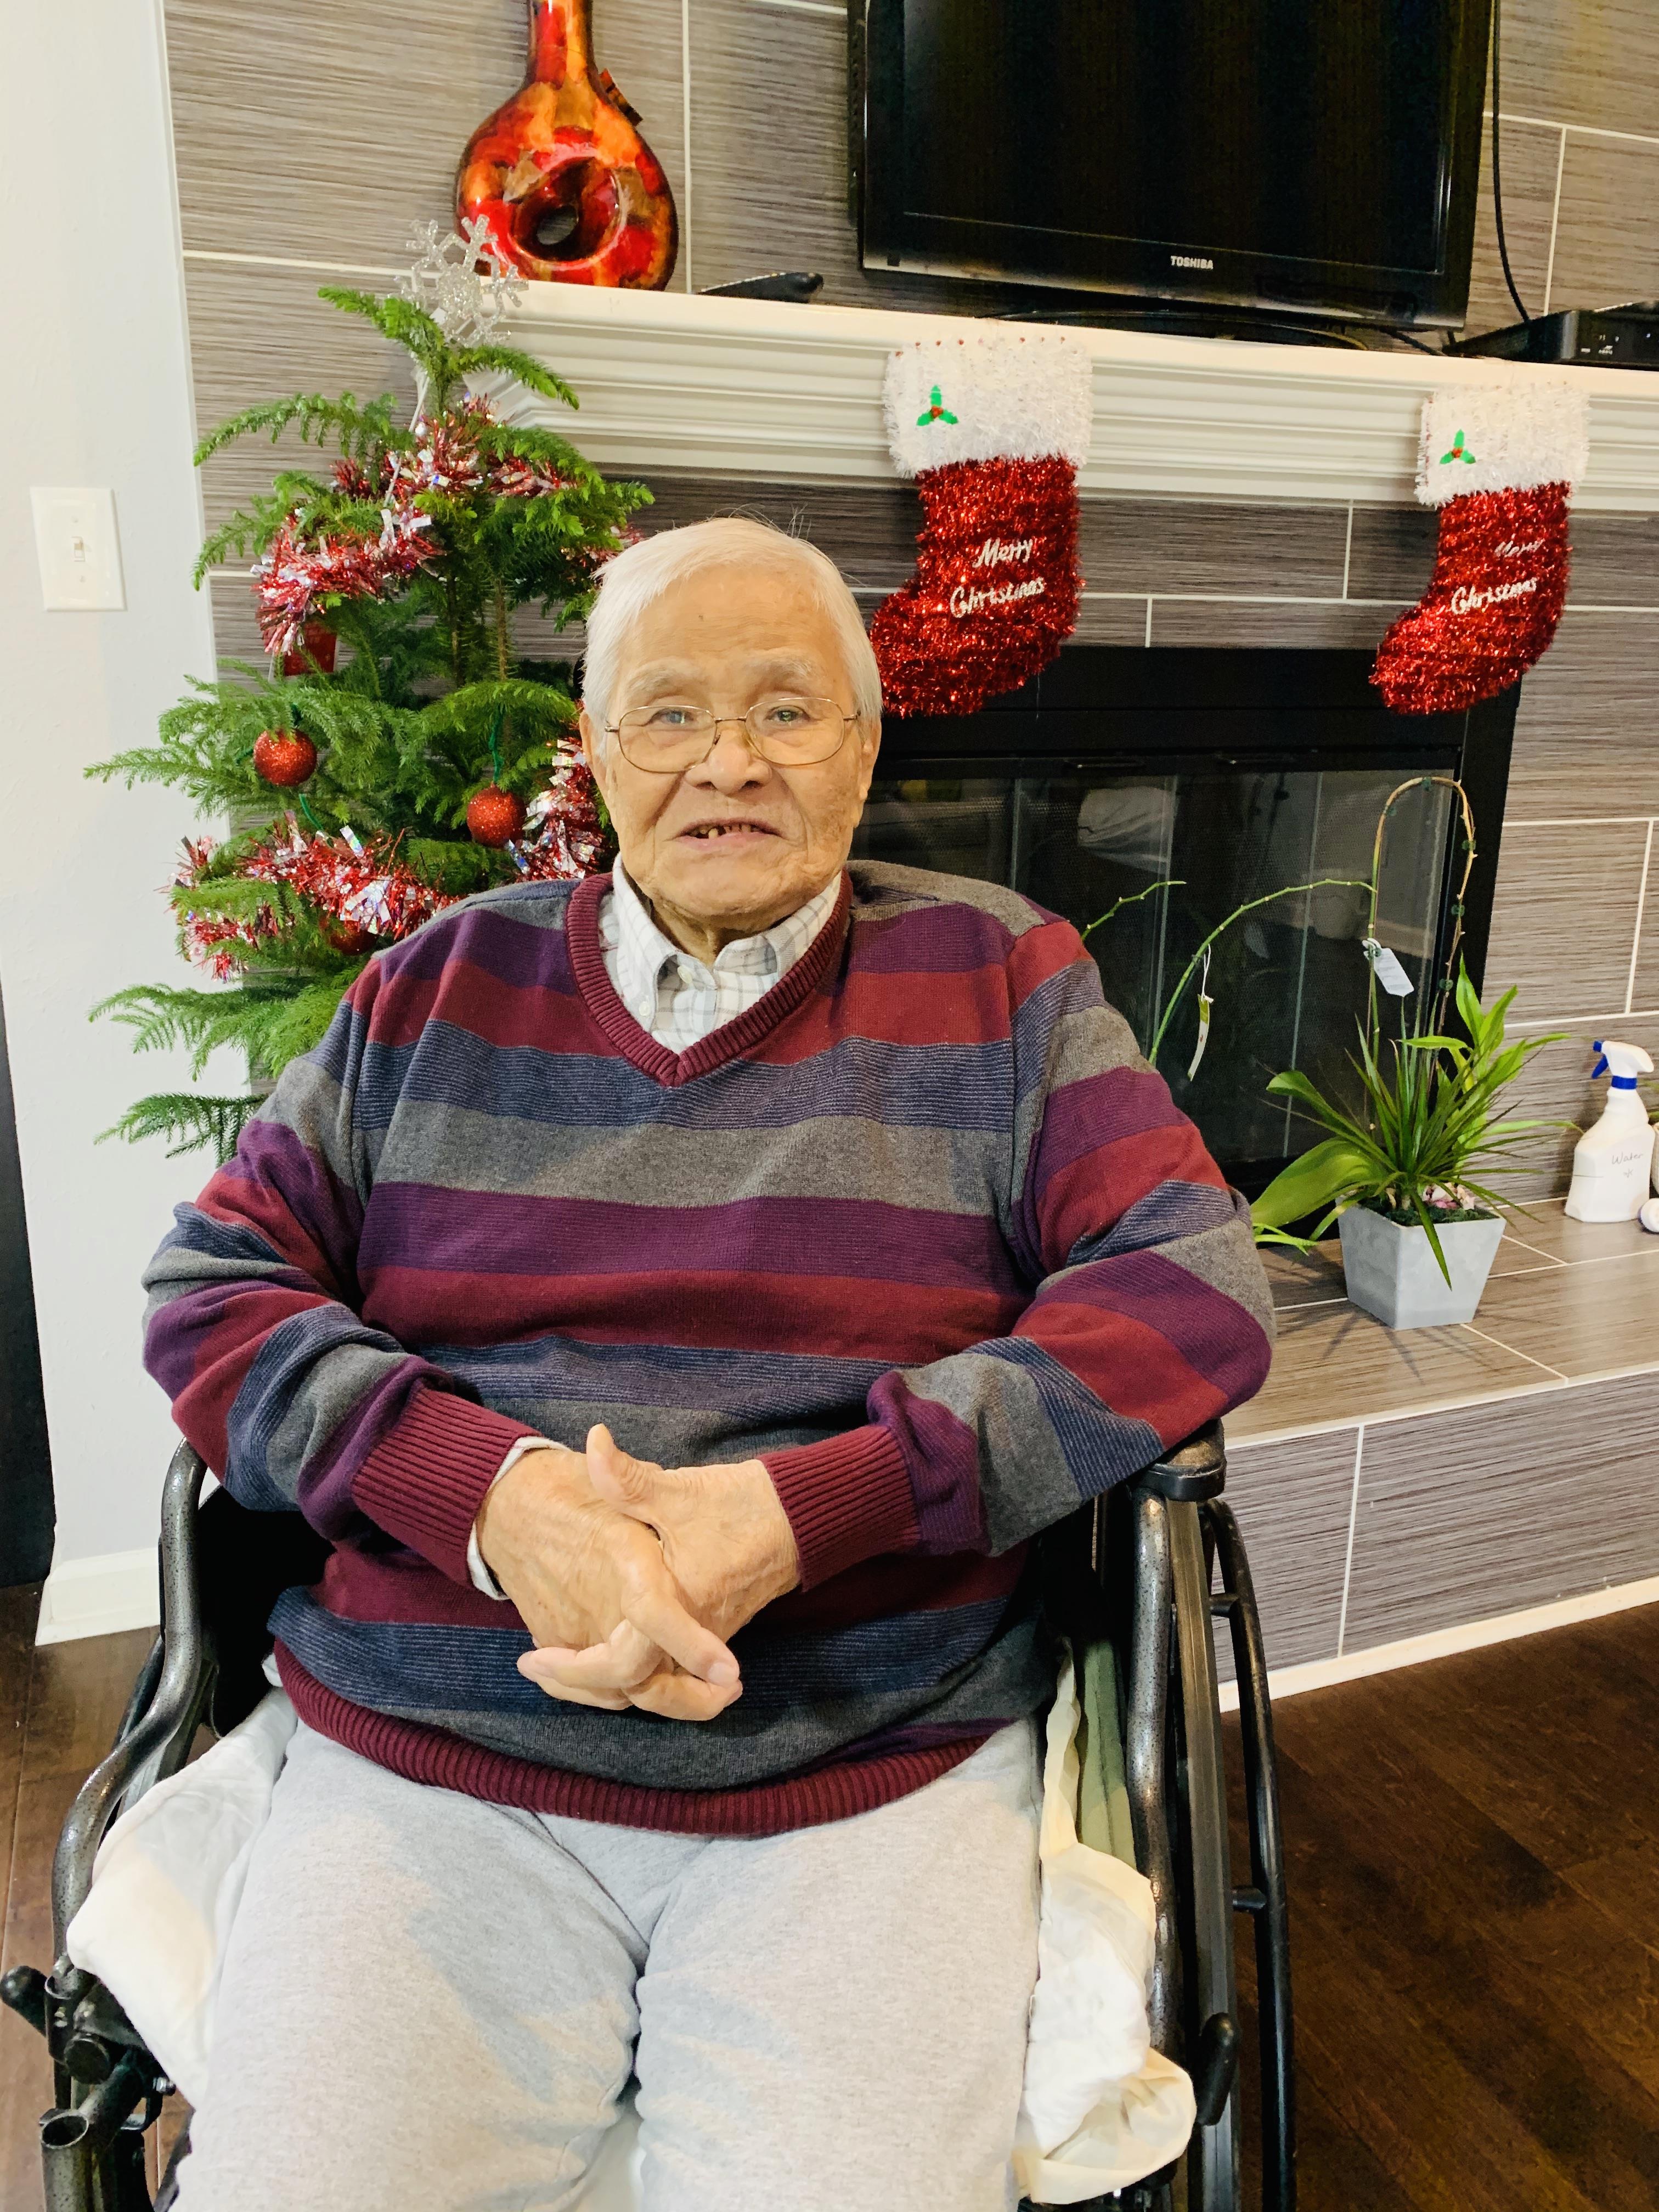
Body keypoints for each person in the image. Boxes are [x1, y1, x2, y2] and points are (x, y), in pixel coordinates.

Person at [143, 516, 1273, 2211]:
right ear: (595, 752)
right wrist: (496, 1501)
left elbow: (1190, 1288)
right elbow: (213, 1284)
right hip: (433, 1760)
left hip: (863, 1765)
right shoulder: (432, 989)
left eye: (785, 713)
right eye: (667, 715)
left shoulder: (1005, 981)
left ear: (869, 741)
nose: (726, 762)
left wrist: (808, 1510)